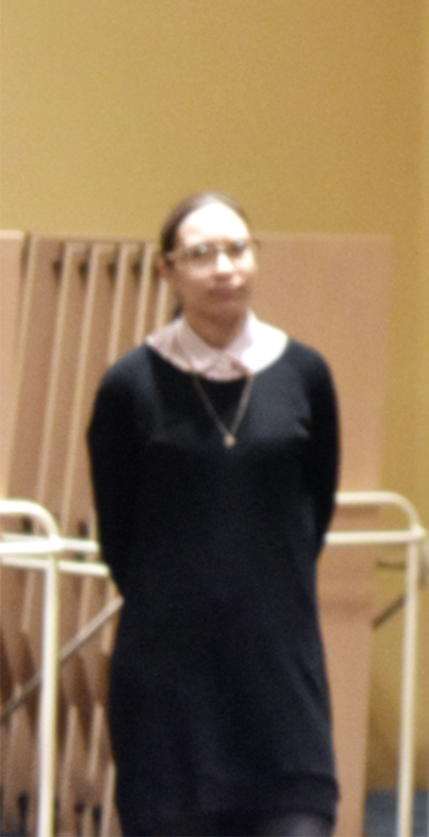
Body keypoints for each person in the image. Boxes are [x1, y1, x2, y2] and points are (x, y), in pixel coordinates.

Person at [86, 194, 341, 837]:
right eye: (201, 254)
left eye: (237, 249)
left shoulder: (305, 373)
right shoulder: (129, 385)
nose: (224, 268)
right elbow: (119, 535)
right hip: (169, 678)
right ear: (167, 271)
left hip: (280, 675)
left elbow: (313, 510)